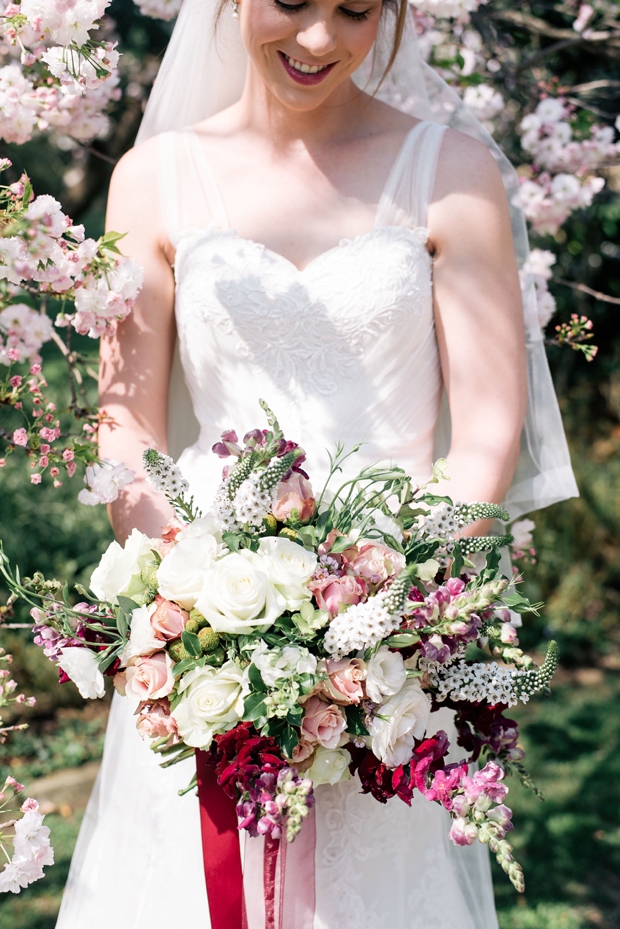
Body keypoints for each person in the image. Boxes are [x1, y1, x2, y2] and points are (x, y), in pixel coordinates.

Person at [56, 0, 577, 926]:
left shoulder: (448, 174)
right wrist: (192, 606)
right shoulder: (153, 180)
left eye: (354, 9)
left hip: (387, 663)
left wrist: (397, 616)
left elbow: (489, 431)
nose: (318, 40)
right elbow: (125, 420)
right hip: (206, 644)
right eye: (291, 1)